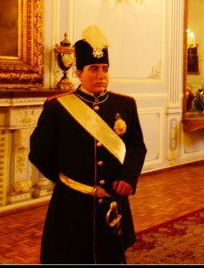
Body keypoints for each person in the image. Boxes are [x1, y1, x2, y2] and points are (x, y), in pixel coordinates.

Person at [29, 25, 147, 263]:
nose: (101, 75)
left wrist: (128, 177)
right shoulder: (57, 108)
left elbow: (136, 147)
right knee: (71, 255)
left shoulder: (125, 105)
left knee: (111, 255)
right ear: (79, 73)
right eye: (94, 69)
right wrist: (67, 181)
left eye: (105, 69)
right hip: (73, 202)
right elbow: (39, 153)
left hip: (113, 199)